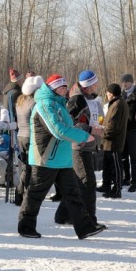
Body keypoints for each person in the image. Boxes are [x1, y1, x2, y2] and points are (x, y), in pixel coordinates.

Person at [18, 74, 106, 240]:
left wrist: (79, 136)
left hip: (62, 158)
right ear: (52, 88)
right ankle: (26, 226)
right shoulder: (45, 105)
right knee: (35, 194)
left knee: (73, 194)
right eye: (61, 86)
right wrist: (84, 136)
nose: (65, 89)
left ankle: (85, 227)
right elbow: (58, 130)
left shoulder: (59, 104)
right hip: (46, 158)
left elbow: (69, 126)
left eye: (66, 86)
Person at [54, 70, 104, 227]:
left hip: (87, 145)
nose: (97, 85)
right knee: (87, 183)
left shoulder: (89, 98)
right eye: (95, 83)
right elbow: (70, 123)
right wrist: (91, 130)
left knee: (78, 182)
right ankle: (88, 220)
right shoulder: (77, 100)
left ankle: (62, 215)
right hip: (79, 146)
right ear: (88, 85)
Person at [14, 75, 44, 206]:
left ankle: (19, 194)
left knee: (26, 167)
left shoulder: (20, 100)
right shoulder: (34, 102)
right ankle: (23, 194)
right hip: (31, 136)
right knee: (31, 168)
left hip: (21, 135)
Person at [100, 83, 129, 198]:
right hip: (109, 141)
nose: (106, 95)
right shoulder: (116, 103)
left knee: (116, 166)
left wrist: (103, 134)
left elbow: (113, 124)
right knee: (107, 165)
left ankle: (117, 189)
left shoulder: (118, 104)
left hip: (114, 141)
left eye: (107, 93)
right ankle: (106, 185)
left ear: (111, 94)